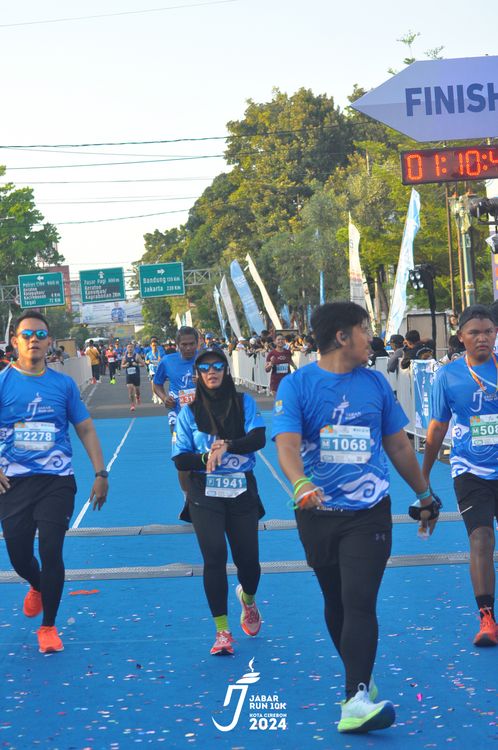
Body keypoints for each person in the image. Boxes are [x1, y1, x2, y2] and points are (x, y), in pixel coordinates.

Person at [272, 301, 439, 734]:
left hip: (369, 511)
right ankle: (358, 672)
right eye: (365, 330)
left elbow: (398, 445)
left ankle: (355, 698)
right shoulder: (297, 385)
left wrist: (424, 493)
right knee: (336, 601)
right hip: (317, 511)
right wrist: (299, 483)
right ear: (342, 336)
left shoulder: (376, 383)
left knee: (360, 599)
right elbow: (286, 444)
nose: (372, 338)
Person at [0, 311, 108, 654]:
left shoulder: (63, 385)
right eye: (26, 334)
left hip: (56, 481)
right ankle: (36, 584)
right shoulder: (3, 382)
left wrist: (101, 473)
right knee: (19, 556)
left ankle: (48, 626)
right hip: (13, 483)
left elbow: (85, 428)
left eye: (40, 334)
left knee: (51, 550)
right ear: (15, 341)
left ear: (49, 341)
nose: (33, 339)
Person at [171, 348, 265, 656]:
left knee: (248, 561)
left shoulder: (244, 402)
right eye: (205, 368)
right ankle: (222, 631)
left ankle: (248, 600)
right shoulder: (189, 412)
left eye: (217, 366)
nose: (211, 371)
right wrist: (205, 457)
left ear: (226, 370)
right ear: (197, 375)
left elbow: (259, 438)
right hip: (204, 490)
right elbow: (180, 459)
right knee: (214, 556)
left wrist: (229, 446)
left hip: (241, 489)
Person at [422, 305, 498, 647]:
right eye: (474, 332)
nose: (482, 338)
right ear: (461, 337)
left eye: (488, 331)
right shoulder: (448, 376)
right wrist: (422, 477)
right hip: (470, 470)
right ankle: (486, 618)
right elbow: (437, 427)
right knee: (481, 538)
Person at [121, 342, 143, 411]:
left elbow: (143, 364)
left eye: (131, 347)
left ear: (133, 348)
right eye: (128, 347)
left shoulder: (137, 356)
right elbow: (122, 366)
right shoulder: (125, 357)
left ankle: (138, 397)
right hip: (129, 376)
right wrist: (125, 365)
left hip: (136, 376)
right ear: (126, 348)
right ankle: (132, 405)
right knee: (130, 391)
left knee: (137, 390)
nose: (130, 348)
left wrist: (136, 364)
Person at [145, 339, 163, 404]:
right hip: (152, 371)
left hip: (159, 371)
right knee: (153, 384)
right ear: (151, 346)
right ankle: (155, 395)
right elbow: (146, 361)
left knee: (160, 384)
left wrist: (161, 360)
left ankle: (160, 397)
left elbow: (164, 360)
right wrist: (148, 361)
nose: (154, 347)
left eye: (155, 345)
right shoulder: (149, 354)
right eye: (153, 345)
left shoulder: (160, 353)